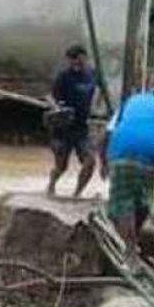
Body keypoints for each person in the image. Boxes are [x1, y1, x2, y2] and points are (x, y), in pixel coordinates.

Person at [100, 87, 154, 257]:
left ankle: (130, 250)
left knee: (121, 202)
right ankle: (134, 242)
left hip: (122, 145)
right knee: (144, 199)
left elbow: (107, 133)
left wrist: (103, 162)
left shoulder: (131, 102)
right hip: (153, 148)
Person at [46, 45, 98, 199]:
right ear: (69, 61)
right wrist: (57, 108)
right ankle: (51, 185)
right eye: (73, 60)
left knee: (90, 161)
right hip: (62, 130)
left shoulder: (91, 75)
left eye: (79, 60)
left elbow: (96, 91)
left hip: (82, 129)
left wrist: (95, 109)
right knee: (61, 167)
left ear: (85, 59)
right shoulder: (63, 77)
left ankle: (77, 194)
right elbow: (49, 97)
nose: (76, 63)